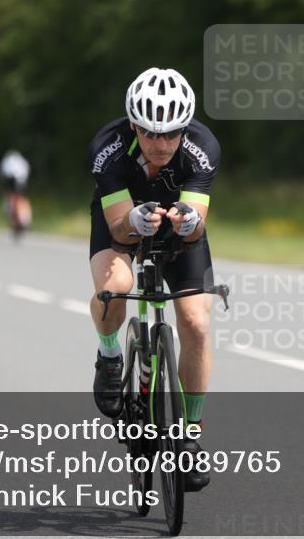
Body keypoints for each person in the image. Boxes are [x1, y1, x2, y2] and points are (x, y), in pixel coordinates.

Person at [87, 67, 219, 491]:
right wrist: (135, 222)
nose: (161, 144)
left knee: (196, 323)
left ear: (185, 129)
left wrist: (188, 222)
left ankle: (191, 438)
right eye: (149, 134)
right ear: (133, 126)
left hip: (177, 229)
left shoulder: (202, 148)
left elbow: (198, 226)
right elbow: (119, 229)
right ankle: (110, 355)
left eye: (171, 134)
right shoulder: (107, 150)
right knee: (114, 290)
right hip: (122, 220)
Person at [0, 149, 31, 229]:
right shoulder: (22, 161)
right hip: (20, 180)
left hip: (11, 181)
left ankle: (15, 217)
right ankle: (24, 218)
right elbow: (26, 171)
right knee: (22, 199)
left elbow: (2, 173)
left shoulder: (6, 161)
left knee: (10, 198)